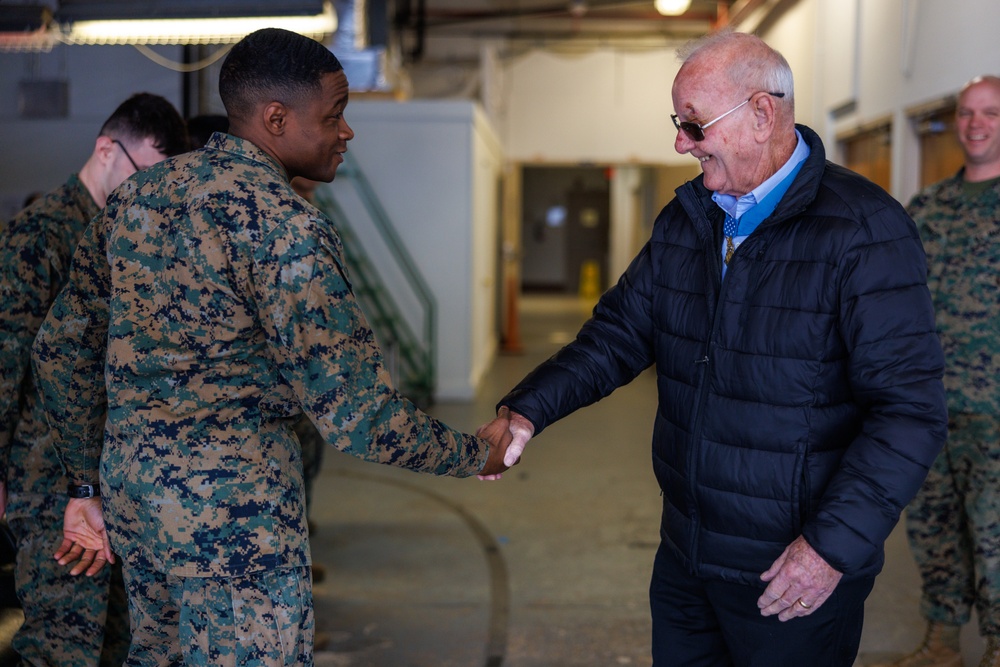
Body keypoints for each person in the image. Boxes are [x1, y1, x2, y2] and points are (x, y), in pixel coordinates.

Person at [30, 27, 511, 665]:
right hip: (238, 525)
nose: (347, 133)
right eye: (335, 116)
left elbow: (59, 351)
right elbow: (356, 415)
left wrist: (84, 487)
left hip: (136, 507)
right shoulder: (285, 229)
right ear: (277, 118)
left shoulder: (134, 202)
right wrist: (473, 453)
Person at [479, 31, 948, 666]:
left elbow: (908, 412)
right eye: (678, 125)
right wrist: (529, 408)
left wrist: (830, 549)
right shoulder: (688, 219)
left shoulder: (865, 232)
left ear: (762, 114)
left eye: (694, 126)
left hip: (792, 570)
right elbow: (617, 335)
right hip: (687, 555)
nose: (680, 143)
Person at [0, 93, 187, 667]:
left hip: (111, 478)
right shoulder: (42, 236)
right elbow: (5, 361)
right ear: (106, 149)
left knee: (118, 640)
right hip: (49, 477)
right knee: (64, 641)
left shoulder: (127, 239)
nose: (148, 194)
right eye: (143, 175)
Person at [882, 75, 1000, 667]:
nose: (976, 123)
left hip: (997, 417)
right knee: (933, 532)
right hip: (928, 414)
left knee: (996, 540)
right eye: (967, 112)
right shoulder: (927, 208)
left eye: (991, 113)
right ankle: (941, 644)